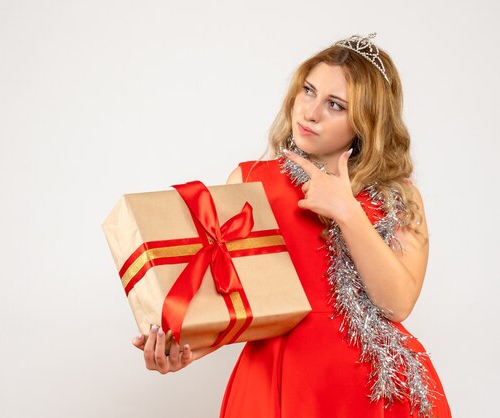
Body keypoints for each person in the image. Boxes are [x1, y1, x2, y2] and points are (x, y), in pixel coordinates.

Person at [131, 33, 452, 417]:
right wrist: (185, 350)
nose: (310, 112)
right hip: (278, 380)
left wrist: (347, 213)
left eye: (335, 105)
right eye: (308, 91)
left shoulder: (399, 197)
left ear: (366, 122)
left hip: (378, 386)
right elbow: (231, 299)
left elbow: (397, 305)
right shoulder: (251, 180)